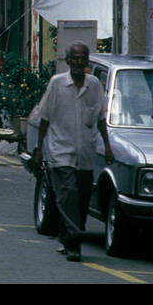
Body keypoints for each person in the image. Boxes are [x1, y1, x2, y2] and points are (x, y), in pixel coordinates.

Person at [30, 43, 113, 262]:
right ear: (68, 61)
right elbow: (45, 118)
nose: (78, 62)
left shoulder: (94, 85)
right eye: (74, 58)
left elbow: (101, 118)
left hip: (84, 152)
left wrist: (107, 146)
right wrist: (40, 149)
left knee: (82, 198)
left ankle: (66, 236)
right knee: (69, 194)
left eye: (82, 58)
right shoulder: (57, 84)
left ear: (87, 61)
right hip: (60, 151)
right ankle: (75, 243)